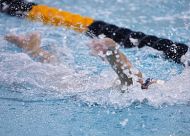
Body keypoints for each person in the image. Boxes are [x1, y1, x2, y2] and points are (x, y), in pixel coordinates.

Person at [5, 32, 163, 90]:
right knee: (51, 66)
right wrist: (111, 50)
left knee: (52, 65)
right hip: (71, 85)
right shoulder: (133, 86)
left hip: (76, 82)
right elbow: (126, 70)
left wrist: (111, 50)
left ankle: (29, 46)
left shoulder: (133, 85)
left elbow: (126, 69)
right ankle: (30, 47)